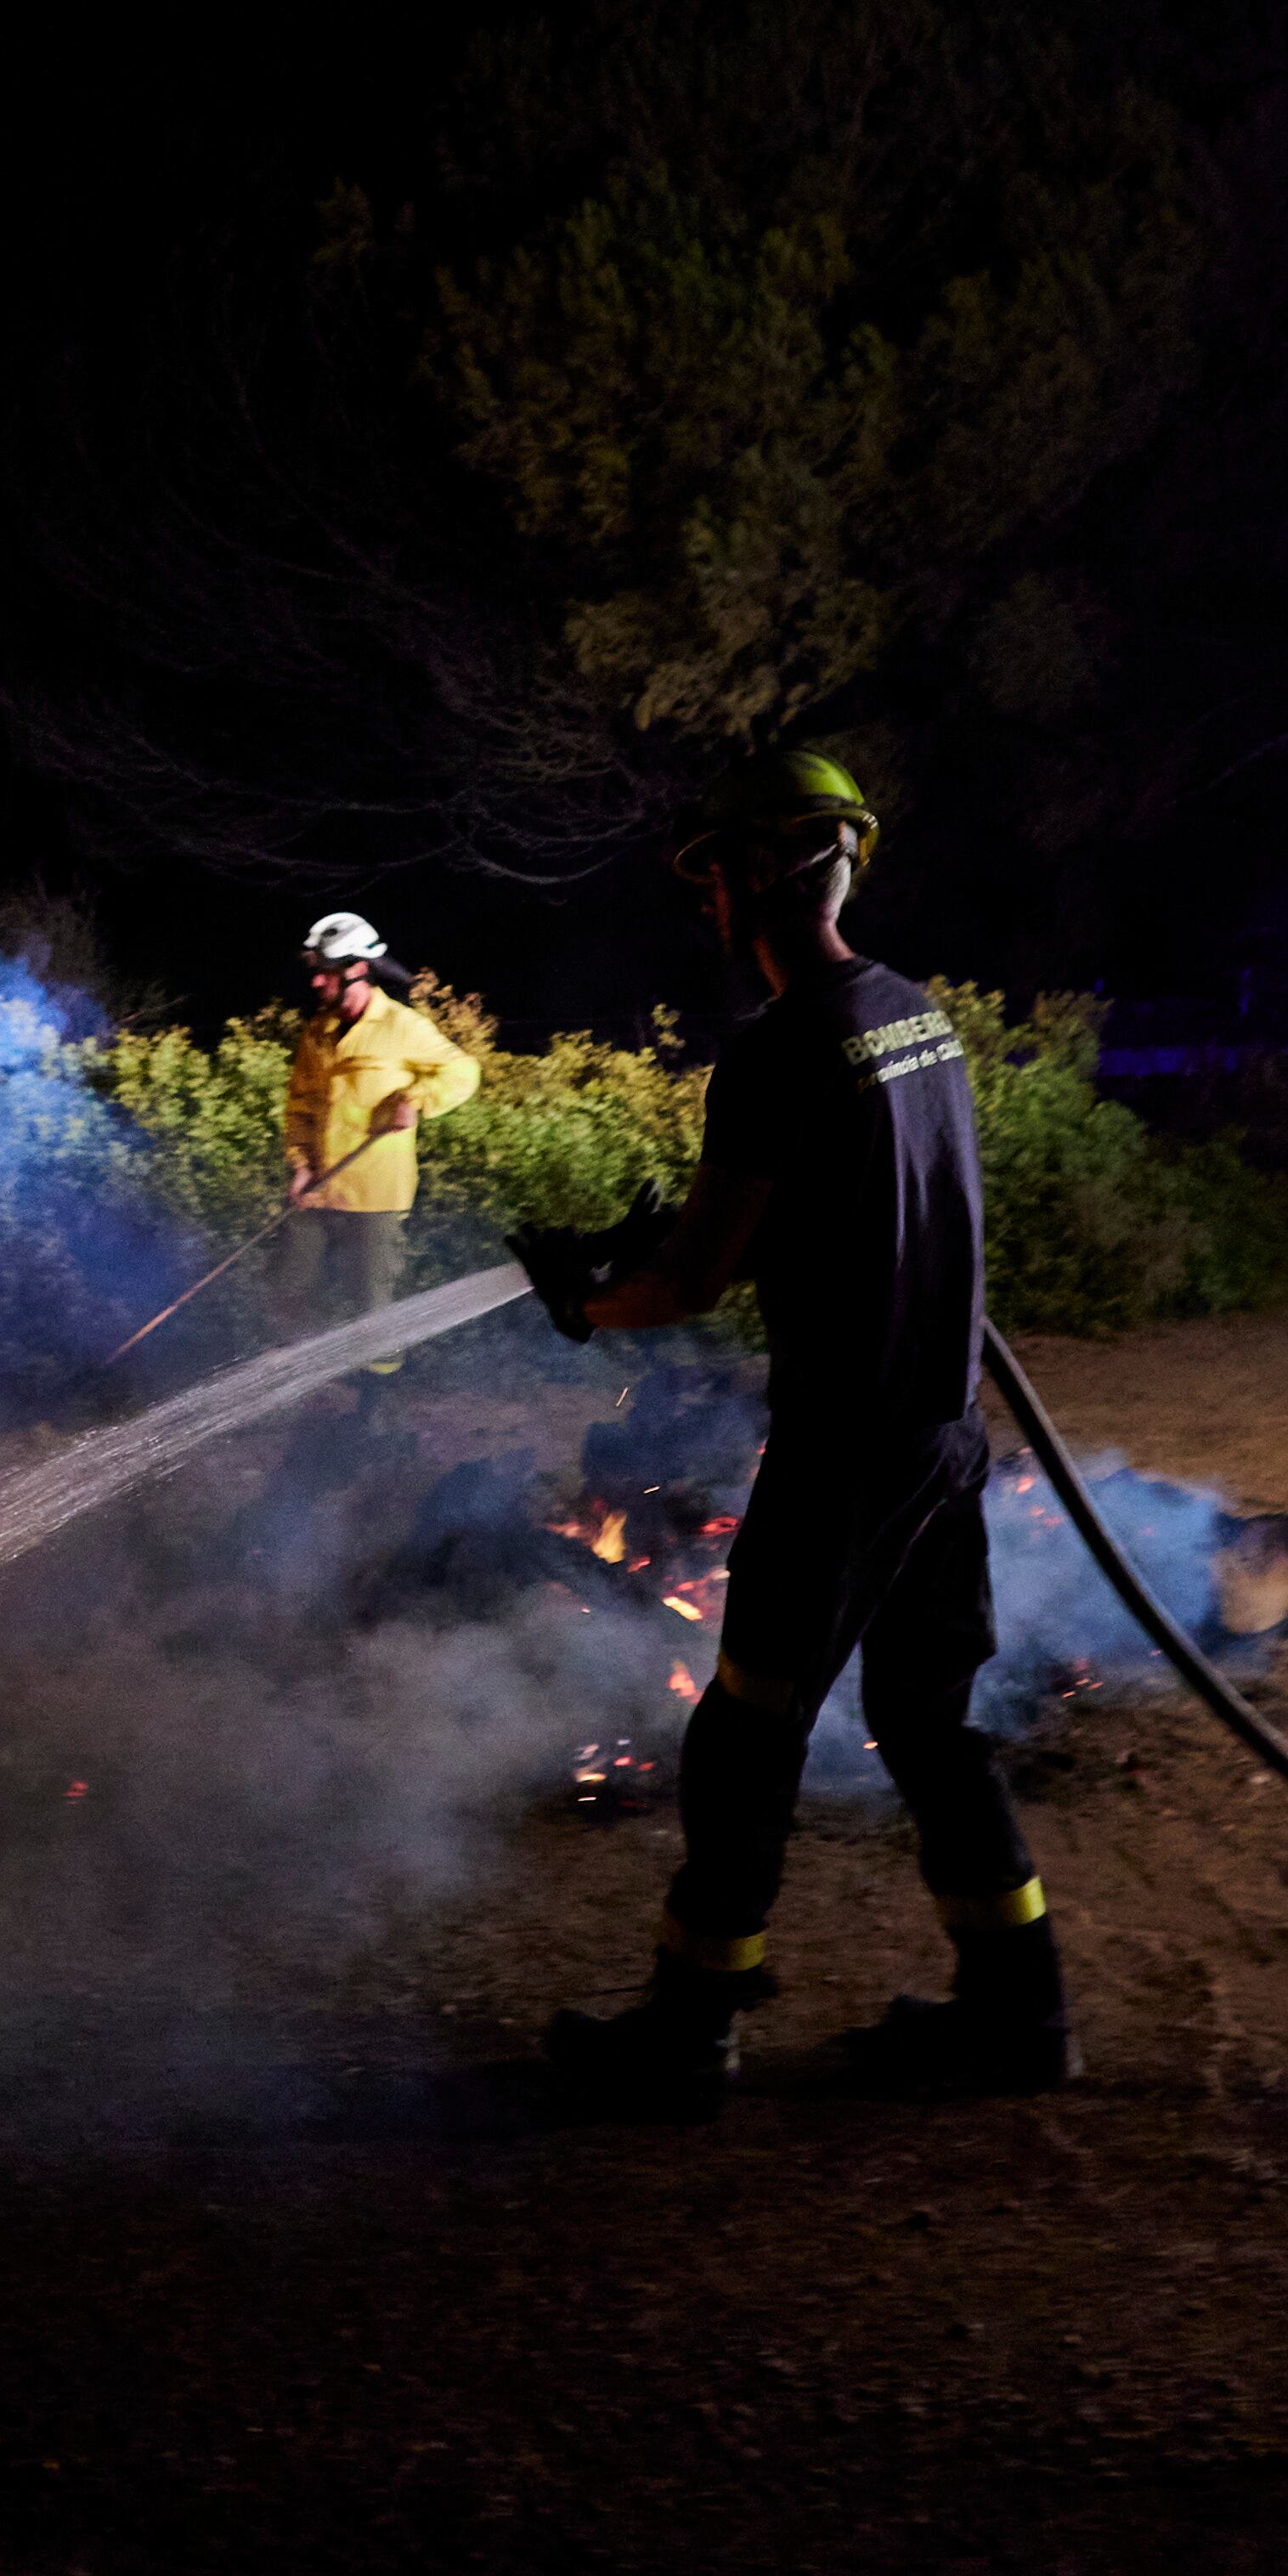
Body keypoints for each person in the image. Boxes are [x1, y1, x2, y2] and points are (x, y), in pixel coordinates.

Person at [510, 749, 1071, 2115]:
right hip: (942, 1431)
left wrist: (588, 1299)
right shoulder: (911, 1016)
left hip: (848, 1451)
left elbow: (690, 1282)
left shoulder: (771, 1053)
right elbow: (854, 1200)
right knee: (928, 1720)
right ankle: (1018, 2009)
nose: (704, 897)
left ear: (761, 870)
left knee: (745, 1731)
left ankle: (689, 2027)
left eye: (714, 870)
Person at [274, 912, 479, 1375]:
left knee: (371, 1303)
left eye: (325, 973)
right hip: (319, 1186)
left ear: (357, 970)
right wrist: (300, 1164)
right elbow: (300, 1107)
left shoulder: (401, 1026)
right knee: (288, 1288)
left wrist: (418, 1099)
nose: (316, 983)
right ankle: (299, 1379)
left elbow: (464, 1070)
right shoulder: (317, 1032)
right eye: (315, 972)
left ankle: (376, 1396)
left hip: (376, 1192)